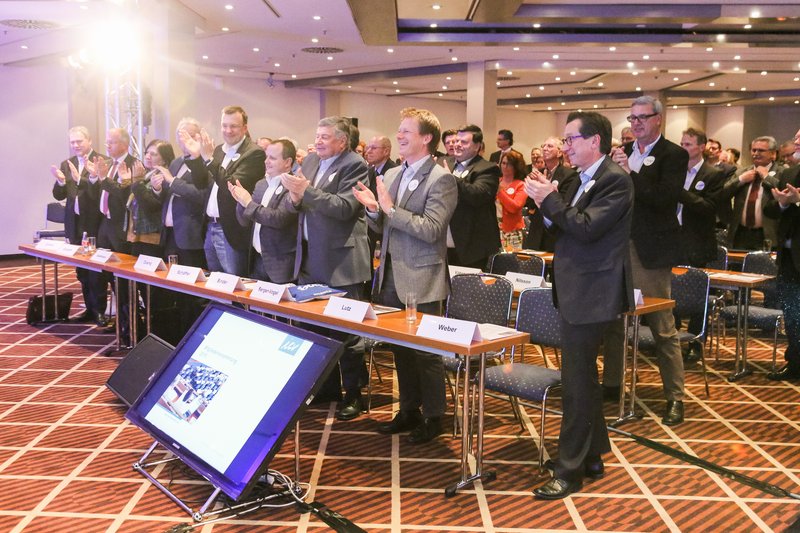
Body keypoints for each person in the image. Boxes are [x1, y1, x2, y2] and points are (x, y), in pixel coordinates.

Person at [525, 111, 634, 499]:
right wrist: (545, 202)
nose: (565, 146)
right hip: (578, 288)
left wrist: (549, 199)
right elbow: (564, 225)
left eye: (571, 139)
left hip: (594, 291)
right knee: (583, 378)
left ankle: (568, 469)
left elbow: (586, 227)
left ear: (594, 141)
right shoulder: (581, 177)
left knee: (575, 382)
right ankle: (593, 455)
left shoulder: (615, 180)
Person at [353, 107, 457, 444]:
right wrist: (373, 209)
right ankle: (409, 409)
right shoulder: (394, 174)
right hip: (390, 274)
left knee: (426, 352)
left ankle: (434, 416)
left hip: (421, 276)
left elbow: (431, 230)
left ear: (426, 138)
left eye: (406, 131)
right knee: (400, 348)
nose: (399, 136)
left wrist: (389, 209)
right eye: (399, 131)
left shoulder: (441, 179)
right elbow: (383, 225)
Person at [604, 95, 688, 426]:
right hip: (616, 246)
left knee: (662, 325)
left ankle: (675, 397)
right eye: (632, 118)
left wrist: (630, 172)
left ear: (658, 120)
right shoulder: (622, 152)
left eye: (642, 117)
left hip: (650, 250)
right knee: (614, 320)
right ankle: (612, 384)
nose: (636, 123)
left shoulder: (673, 154)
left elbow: (664, 199)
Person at [281, 116, 371, 420]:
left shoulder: (355, 164)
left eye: (325, 137)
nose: (318, 141)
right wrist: (296, 197)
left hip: (341, 261)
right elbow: (299, 204)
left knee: (347, 332)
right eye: (317, 136)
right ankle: (326, 388)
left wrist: (305, 191)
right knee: (314, 327)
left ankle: (354, 394)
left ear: (342, 142)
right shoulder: (309, 163)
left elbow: (345, 208)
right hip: (309, 256)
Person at [195, 106, 266, 276]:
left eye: (233, 126)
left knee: (234, 283)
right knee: (214, 283)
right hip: (210, 226)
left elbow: (232, 186)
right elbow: (200, 183)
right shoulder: (218, 150)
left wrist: (209, 160)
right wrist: (194, 157)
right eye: (224, 125)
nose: (228, 130)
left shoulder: (254, 153)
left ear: (245, 128)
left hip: (231, 230)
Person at [677, 128, 725, 362]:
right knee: (671, 292)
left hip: (697, 241)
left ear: (701, 147)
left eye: (688, 144)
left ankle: (696, 343)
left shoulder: (713, 174)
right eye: (681, 144)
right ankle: (670, 339)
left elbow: (708, 207)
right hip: (672, 240)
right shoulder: (675, 171)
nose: (683, 148)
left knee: (697, 296)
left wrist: (680, 193)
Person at [50, 126, 106, 326]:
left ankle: (100, 311)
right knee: (82, 271)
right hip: (75, 224)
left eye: (79, 141)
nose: (75, 145)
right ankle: (89, 310)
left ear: (89, 141)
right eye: (72, 142)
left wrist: (83, 179)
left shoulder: (102, 161)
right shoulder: (68, 164)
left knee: (96, 271)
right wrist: (61, 182)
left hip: (95, 223)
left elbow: (99, 193)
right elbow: (59, 195)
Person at [229, 139, 298, 284]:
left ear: (287, 162)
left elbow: (279, 219)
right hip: (256, 258)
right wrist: (240, 201)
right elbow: (244, 221)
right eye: (266, 157)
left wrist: (248, 203)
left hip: (279, 263)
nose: (266, 161)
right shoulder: (261, 184)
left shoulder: (293, 186)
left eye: (272, 158)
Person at [763, 128, 800, 381]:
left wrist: (798, 201)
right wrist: (782, 202)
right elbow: (770, 209)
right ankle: (795, 363)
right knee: (792, 315)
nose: (796, 141)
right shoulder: (789, 173)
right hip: (788, 258)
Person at [152, 118, 208, 268]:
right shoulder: (176, 162)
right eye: (182, 135)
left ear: (199, 137)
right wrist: (157, 188)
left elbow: (202, 194)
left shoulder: (205, 161)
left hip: (190, 234)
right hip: (169, 231)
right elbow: (168, 194)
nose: (186, 139)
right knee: (170, 278)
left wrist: (172, 181)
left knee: (191, 278)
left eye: (190, 135)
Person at [444, 124, 502, 269]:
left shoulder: (488, 168)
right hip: (443, 244)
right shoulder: (444, 163)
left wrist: (450, 179)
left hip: (472, 247)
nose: (457, 145)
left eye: (463, 142)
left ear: (477, 146)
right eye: (456, 141)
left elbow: (477, 195)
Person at [721, 136, 782, 251]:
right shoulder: (741, 172)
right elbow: (723, 193)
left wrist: (767, 177)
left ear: (773, 154)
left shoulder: (782, 172)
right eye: (754, 150)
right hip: (740, 233)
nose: (756, 153)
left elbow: (784, 192)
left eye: (761, 150)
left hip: (767, 234)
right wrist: (740, 180)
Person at [523, 137, 579, 251]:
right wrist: (533, 187)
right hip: (536, 230)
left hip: (555, 231)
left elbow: (563, 203)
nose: (545, 149)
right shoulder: (537, 174)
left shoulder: (569, 175)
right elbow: (530, 204)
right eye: (543, 146)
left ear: (559, 153)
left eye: (549, 146)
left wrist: (546, 188)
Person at [496, 150, 528, 250]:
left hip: (512, 231)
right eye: (503, 163)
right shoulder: (494, 181)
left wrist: (500, 192)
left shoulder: (521, 185)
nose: (505, 167)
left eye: (509, 164)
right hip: (494, 229)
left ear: (516, 166)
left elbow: (515, 207)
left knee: (512, 258)